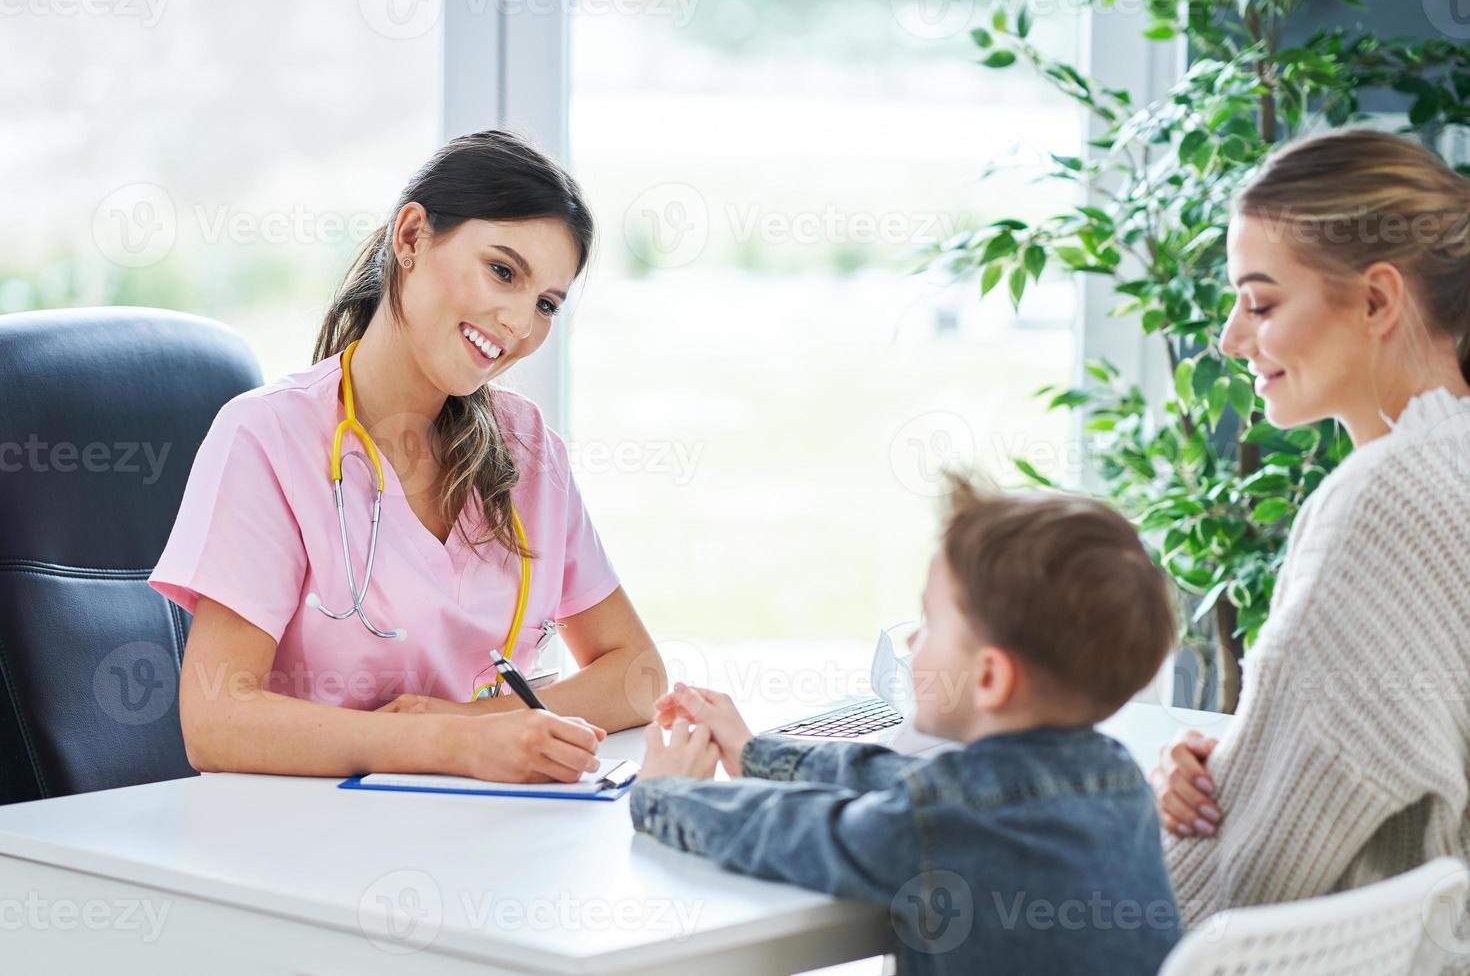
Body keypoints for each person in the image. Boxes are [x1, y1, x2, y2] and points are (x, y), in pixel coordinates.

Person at [149, 130, 666, 785]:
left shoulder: (528, 450)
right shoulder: (268, 438)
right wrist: (447, 745)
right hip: (300, 848)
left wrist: (476, 724)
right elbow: (216, 723)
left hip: (490, 836)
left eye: (546, 304)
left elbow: (639, 674)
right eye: (502, 271)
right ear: (413, 237)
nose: (518, 324)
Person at [629, 474, 1183, 975]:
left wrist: (663, 794)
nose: (913, 641)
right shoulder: (1118, 779)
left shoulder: (946, 822)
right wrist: (754, 753)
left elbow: (788, 830)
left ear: (990, 677)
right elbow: (900, 781)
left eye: (930, 621)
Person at [1149, 129, 1470, 925]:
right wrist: (1239, 763)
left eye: (1260, 303)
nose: (1229, 339)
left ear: (1376, 299)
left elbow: (1243, 881)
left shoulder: (1382, 502)